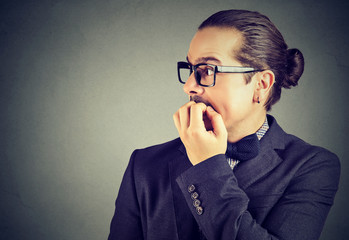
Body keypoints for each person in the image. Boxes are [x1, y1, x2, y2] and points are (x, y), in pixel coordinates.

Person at [108, 9, 340, 240]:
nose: (189, 86)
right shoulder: (144, 165)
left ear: (261, 83)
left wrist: (207, 165)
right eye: (190, 69)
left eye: (207, 70)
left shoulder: (312, 166)